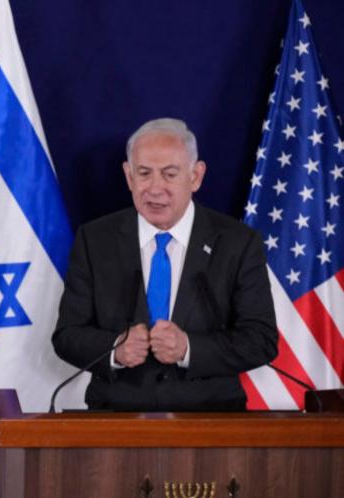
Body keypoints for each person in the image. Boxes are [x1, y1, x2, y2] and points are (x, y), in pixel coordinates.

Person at [52, 118, 277, 411]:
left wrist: (188, 349)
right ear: (129, 176)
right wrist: (115, 349)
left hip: (211, 420)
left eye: (169, 174)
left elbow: (261, 340)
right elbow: (68, 335)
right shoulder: (94, 240)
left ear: (196, 176)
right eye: (144, 173)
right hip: (116, 418)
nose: (155, 189)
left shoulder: (237, 242)